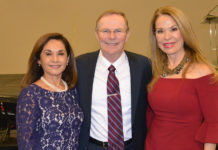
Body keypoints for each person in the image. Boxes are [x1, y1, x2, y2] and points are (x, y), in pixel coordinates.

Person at [76, 10, 152, 150]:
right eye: (105, 31)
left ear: (127, 35)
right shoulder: (79, 65)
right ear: (96, 34)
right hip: (92, 146)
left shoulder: (144, 65)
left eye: (118, 31)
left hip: (132, 146)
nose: (112, 37)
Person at [145, 6, 218, 150]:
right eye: (160, 31)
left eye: (173, 29)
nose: (167, 36)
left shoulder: (204, 72)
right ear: (155, 36)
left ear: (184, 32)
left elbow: (214, 123)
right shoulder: (157, 72)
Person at [16, 33, 84, 150]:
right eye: (48, 54)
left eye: (60, 54)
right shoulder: (30, 94)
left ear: (67, 59)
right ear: (38, 60)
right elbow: (25, 144)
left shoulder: (73, 91)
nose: (55, 59)